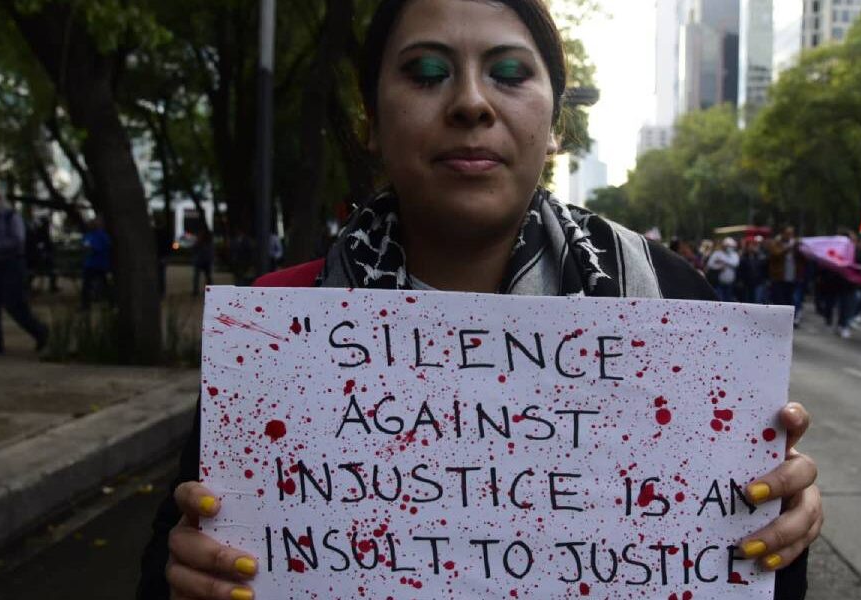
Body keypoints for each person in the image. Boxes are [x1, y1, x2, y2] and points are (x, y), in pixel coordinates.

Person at [138, 2, 821, 599]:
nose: (470, 103)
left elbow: (740, 574)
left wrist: (781, 527)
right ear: (371, 121)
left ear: (555, 124)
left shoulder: (673, 302)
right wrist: (190, 578)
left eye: (510, 73)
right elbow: (175, 561)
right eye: (426, 73)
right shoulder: (276, 331)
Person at [0, 181, 49, 355]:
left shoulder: (11, 216)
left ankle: (40, 332)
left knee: (15, 304)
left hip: (11, 264)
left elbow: (18, 241)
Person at [768, 226, 805, 325]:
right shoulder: (776, 244)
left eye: (791, 234)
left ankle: (789, 321)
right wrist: (788, 247)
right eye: (788, 233)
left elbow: (804, 258)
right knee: (779, 301)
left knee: (791, 301)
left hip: (793, 279)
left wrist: (798, 247)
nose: (790, 236)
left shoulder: (795, 246)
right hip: (779, 279)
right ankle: (778, 321)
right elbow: (775, 254)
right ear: (783, 234)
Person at [81, 217, 113, 310]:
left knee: (104, 284)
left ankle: (111, 303)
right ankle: (85, 305)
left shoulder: (102, 235)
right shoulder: (88, 235)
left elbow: (104, 247)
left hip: (100, 264)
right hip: (89, 264)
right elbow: (84, 246)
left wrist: (92, 248)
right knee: (86, 285)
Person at [706, 236, 740, 302]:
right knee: (720, 300)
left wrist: (723, 261)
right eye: (728, 246)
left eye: (731, 246)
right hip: (718, 283)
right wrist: (719, 267)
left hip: (730, 283)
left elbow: (735, 263)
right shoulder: (717, 254)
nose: (729, 248)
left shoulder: (734, 255)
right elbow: (710, 264)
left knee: (728, 300)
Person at [738, 235, 769, 304]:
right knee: (748, 301)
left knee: (757, 300)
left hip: (759, 282)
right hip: (747, 283)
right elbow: (740, 270)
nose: (752, 247)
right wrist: (740, 281)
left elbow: (765, 268)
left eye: (753, 245)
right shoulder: (743, 257)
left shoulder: (761, 256)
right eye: (750, 245)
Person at [191, 226, 214, 296]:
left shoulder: (207, 241)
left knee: (207, 277)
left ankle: (209, 290)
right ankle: (196, 290)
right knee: (199, 277)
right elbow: (194, 249)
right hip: (200, 260)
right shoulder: (200, 241)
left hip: (204, 260)